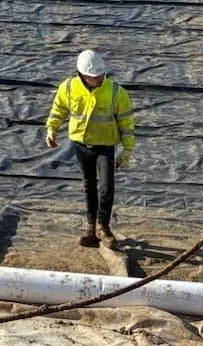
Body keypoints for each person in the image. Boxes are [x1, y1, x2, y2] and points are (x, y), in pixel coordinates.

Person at [45, 48, 136, 246]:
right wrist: (51, 129)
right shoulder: (68, 88)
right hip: (81, 144)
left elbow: (126, 122)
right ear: (82, 75)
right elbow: (59, 109)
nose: (98, 79)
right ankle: (91, 229)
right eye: (93, 76)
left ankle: (103, 227)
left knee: (106, 187)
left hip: (105, 146)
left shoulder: (115, 92)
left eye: (100, 75)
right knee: (89, 186)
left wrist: (127, 150)